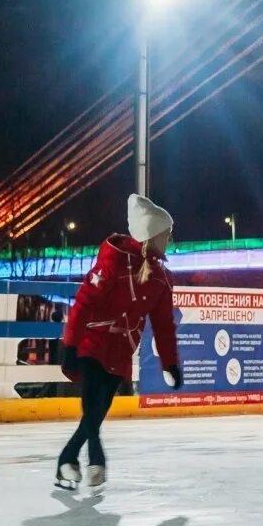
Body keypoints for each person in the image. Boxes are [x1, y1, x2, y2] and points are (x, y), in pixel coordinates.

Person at [55, 194, 183, 491]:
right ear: (152, 234)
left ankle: (67, 460)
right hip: (92, 343)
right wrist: (70, 346)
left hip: (122, 353)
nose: (171, 238)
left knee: (97, 413)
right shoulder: (113, 262)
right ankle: (94, 461)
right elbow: (83, 304)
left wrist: (170, 363)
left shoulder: (162, 279)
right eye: (167, 233)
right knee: (93, 408)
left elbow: (163, 325)